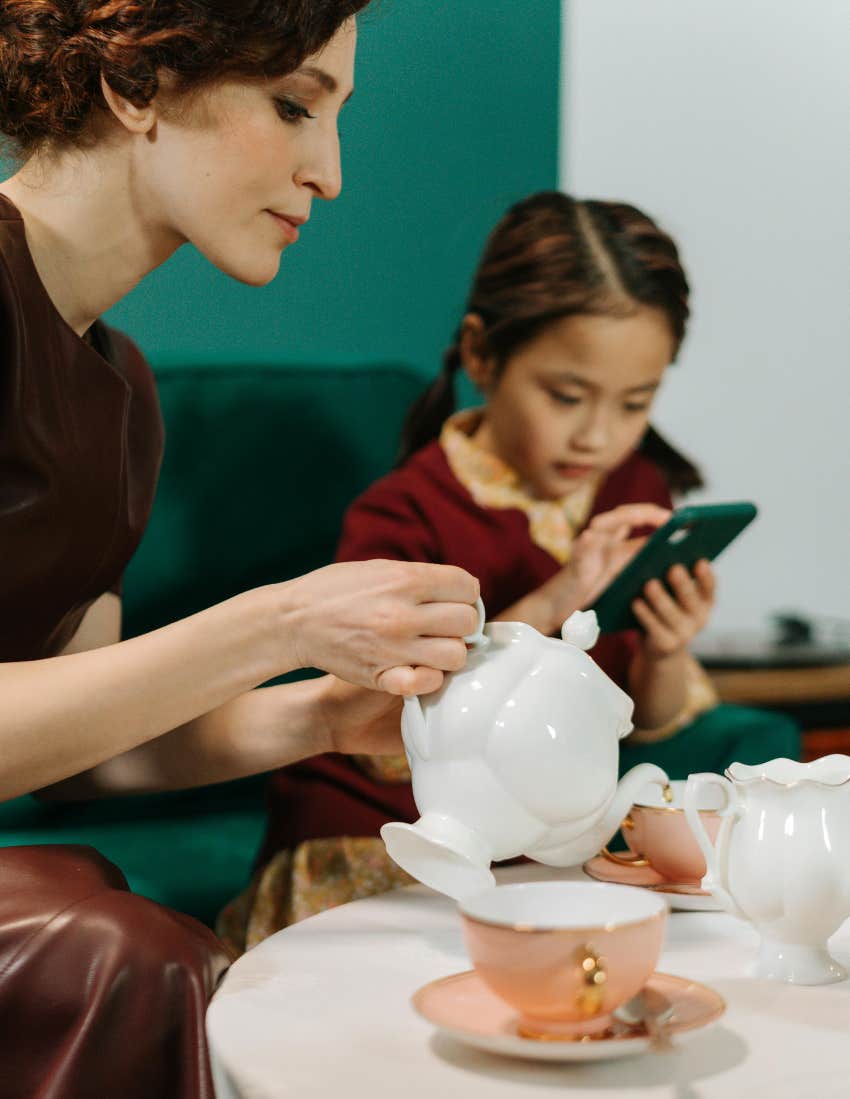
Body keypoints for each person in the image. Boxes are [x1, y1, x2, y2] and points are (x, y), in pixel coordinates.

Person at [0, 3, 482, 1096]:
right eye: (294, 105)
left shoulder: (122, 394)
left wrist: (321, 711)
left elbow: (85, 750)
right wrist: (280, 620)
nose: (332, 173)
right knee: (127, 958)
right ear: (136, 86)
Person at [236, 191, 799, 948]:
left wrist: (665, 648)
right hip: (392, 824)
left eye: (636, 402)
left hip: (552, 826)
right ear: (481, 353)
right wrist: (563, 592)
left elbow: (650, 715)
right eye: (566, 396)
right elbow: (386, 734)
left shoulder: (638, 492)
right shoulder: (407, 512)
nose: (598, 435)